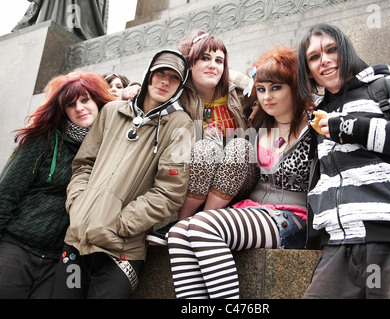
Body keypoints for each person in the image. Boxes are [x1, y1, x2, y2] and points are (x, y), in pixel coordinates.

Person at [297, 23, 390, 298]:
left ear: (347, 50)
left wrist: (354, 128)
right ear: (308, 70)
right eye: (314, 57)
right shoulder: (319, 114)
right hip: (342, 247)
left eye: (332, 50)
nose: (326, 61)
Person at [167, 46, 314, 299]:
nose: (267, 96)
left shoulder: (316, 127)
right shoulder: (259, 127)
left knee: (202, 226)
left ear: (295, 86)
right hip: (253, 210)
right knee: (177, 233)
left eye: (276, 88)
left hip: (293, 219)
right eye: (261, 89)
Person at [50, 49, 194, 299]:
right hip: (75, 244)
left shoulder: (181, 125)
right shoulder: (112, 111)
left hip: (120, 252)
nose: (165, 81)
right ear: (149, 74)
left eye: (174, 78)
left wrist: (121, 223)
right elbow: (84, 163)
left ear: (180, 86)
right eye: (160, 73)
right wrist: (77, 204)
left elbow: (170, 191)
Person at [0, 70, 114, 298]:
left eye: (85, 100)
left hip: (59, 258)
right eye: (71, 104)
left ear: (98, 101)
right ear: (64, 111)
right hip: (16, 247)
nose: (80, 108)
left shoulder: (108, 147)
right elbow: (7, 193)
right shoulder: (42, 140)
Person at [146, 31, 258, 245]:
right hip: (194, 172)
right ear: (190, 64)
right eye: (205, 58)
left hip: (240, 174)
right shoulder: (178, 95)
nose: (212, 65)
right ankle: (181, 223)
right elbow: (149, 90)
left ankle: (202, 222)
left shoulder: (239, 91)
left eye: (219, 61)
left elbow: (274, 89)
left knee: (239, 145)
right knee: (205, 146)